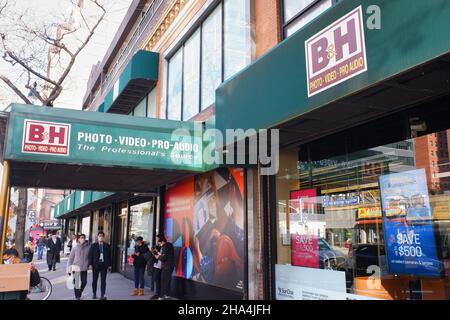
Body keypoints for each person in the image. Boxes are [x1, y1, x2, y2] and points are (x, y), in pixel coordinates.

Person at [88, 232, 112, 300]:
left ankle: (102, 295)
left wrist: (110, 265)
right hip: (95, 265)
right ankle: (94, 293)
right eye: (99, 236)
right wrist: (90, 264)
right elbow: (90, 255)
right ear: (97, 237)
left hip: (104, 265)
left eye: (102, 236)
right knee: (94, 280)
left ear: (104, 237)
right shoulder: (93, 245)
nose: (101, 237)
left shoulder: (107, 245)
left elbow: (109, 256)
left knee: (103, 281)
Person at [67, 234, 90, 300]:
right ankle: (77, 297)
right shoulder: (75, 248)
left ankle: (79, 292)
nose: (82, 239)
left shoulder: (88, 247)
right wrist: (69, 267)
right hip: (76, 268)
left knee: (84, 282)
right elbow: (70, 258)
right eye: (81, 238)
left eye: (83, 238)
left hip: (84, 268)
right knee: (76, 283)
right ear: (79, 239)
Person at [154, 234, 174, 300]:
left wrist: (158, 257)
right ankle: (167, 294)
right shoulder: (169, 245)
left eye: (159, 242)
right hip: (170, 266)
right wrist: (159, 254)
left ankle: (161, 296)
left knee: (163, 281)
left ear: (162, 241)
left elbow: (164, 258)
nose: (159, 244)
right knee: (167, 281)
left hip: (166, 266)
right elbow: (165, 255)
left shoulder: (165, 247)